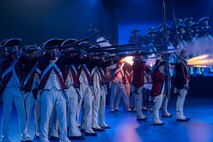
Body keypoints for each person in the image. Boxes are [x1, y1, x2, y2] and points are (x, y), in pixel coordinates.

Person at [37, 38, 70, 142]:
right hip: (47, 89)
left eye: (57, 48)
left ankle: (64, 137)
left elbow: (70, 61)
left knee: (62, 116)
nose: (56, 50)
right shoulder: (43, 58)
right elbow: (42, 64)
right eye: (54, 48)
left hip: (60, 89)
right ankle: (43, 137)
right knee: (45, 116)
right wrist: (49, 55)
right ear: (49, 49)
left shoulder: (61, 58)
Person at [0, 38, 32, 142]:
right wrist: (14, 57)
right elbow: (5, 63)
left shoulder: (19, 57)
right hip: (7, 90)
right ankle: (5, 137)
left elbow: (30, 61)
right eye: (14, 47)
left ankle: (25, 136)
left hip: (18, 89)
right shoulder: (4, 57)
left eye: (16, 47)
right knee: (7, 113)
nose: (16, 49)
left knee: (22, 113)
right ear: (8, 48)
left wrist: (23, 54)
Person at [150, 59, 167, 125]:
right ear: (157, 66)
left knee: (157, 107)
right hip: (156, 92)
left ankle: (156, 119)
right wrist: (162, 73)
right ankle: (155, 120)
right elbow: (162, 79)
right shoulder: (156, 73)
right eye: (161, 65)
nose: (162, 67)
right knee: (156, 107)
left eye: (163, 65)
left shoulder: (158, 73)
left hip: (159, 91)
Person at [174, 54, 190, 122]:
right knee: (180, 101)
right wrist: (184, 84)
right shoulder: (179, 63)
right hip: (181, 85)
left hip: (183, 84)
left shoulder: (183, 63)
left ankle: (181, 114)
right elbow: (180, 75)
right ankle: (179, 116)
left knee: (182, 101)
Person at [131, 56, 148, 121]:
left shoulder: (138, 63)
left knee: (140, 101)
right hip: (137, 85)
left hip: (139, 84)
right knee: (138, 101)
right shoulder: (136, 63)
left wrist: (142, 61)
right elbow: (143, 68)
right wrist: (143, 61)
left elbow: (145, 68)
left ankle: (140, 114)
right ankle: (139, 115)